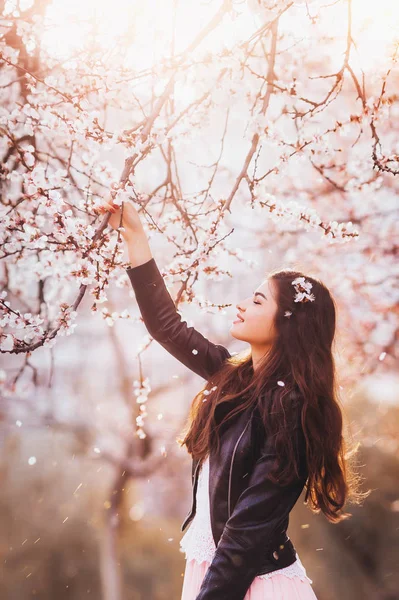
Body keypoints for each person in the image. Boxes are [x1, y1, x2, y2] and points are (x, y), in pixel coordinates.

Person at [95, 198, 369, 600]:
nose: (240, 305)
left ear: (288, 322)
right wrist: (136, 237)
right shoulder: (232, 378)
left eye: (257, 301)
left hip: (253, 584)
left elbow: (246, 532)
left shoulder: (292, 411)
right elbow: (165, 325)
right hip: (216, 573)